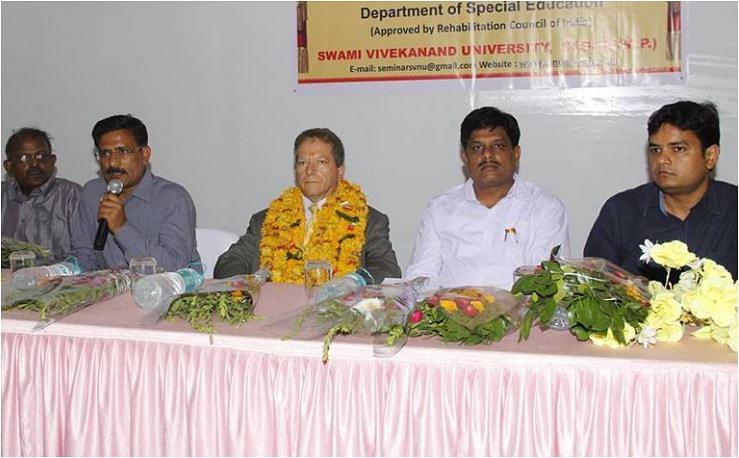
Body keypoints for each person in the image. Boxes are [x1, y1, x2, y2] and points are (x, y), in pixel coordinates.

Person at [405, 107, 570, 290]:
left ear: (516, 153)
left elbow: (547, 281)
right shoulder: (439, 209)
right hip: (451, 306)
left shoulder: (544, 207)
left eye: (498, 146)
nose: (487, 155)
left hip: (521, 308)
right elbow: (422, 274)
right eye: (477, 148)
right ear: (465, 157)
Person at [214, 128, 401, 283]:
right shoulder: (266, 220)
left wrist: (353, 281)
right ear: (295, 169)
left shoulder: (369, 221)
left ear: (340, 171)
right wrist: (244, 285)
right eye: (302, 163)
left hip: (339, 312)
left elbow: (387, 270)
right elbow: (230, 261)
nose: (310, 171)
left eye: (321, 162)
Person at [584, 101, 737, 280]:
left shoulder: (733, 210)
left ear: (710, 156)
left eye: (678, 149)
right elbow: (593, 287)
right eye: (656, 150)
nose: (662, 159)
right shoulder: (620, 212)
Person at [70, 114, 200, 271]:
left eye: (123, 151)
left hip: (161, 286)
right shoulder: (91, 193)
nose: (113, 162)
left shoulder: (174, 199)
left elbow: (175, 267)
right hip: (109, 286)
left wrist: (121, 228)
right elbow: (84, 258)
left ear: (145, 154)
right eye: (105, 153)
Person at [2, 127, 80, 261]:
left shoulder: (71, 195)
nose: (34, 164)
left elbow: (84, 254)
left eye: (41, 156)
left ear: (53, 160)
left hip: (58, 273)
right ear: (9, 166)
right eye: (24, 158)